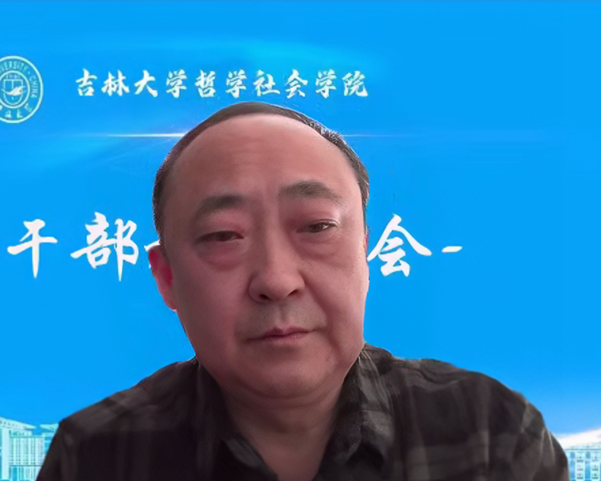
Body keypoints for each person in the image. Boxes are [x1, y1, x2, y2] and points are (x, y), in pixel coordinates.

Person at [36, 102, 569, 481]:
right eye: (224, 236)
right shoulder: (96, 456)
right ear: (167, 277)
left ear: (365, 251)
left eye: (316, 227)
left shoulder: (490, 434)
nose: (276, 279)